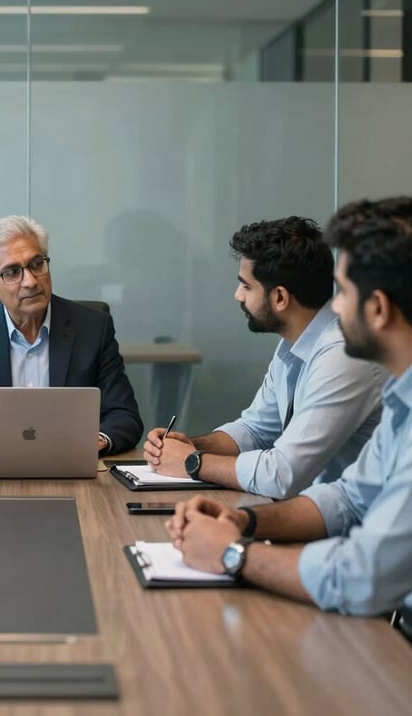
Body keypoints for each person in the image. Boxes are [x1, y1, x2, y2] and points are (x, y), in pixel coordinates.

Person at [168, 197, 412, 616]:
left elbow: (361, 578)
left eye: (345, 293)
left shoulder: (344, 357)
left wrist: (234, 554)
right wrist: (246, 523)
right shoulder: (400, 398)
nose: (334, 307)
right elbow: (349, 498)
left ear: (377, 310)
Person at [144, 216, 384, 498]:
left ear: (280, 298)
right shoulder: (294, 344)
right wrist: (191, 445)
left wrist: (191, 462)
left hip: (353, 527)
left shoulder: (344, 355)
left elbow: (282, 474)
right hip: (312, 513)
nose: (237, 296)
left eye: (246, 286)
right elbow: (255, 429)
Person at [0, 214, 143, 454]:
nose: (31, 281)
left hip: (73, 469)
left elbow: (124, 415)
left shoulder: (93, 328)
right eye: (12, 272)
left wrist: (96, 441)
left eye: (36, 264)